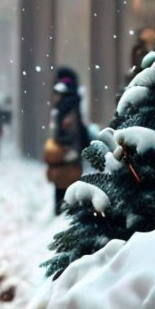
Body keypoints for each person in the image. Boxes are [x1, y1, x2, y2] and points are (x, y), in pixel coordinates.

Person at [43, 66, 90, 215]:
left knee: (65, 199)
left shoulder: (66, 109)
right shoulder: (69, 106)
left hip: (67, 161)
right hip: (68, 160)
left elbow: (71, 135)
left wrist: (63, 151)